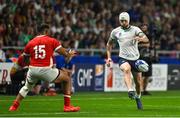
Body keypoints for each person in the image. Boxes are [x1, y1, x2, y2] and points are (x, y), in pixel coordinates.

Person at [9, 24, 80, 112]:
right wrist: (70, 53)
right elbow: (65, 53)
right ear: (46, 31)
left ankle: (14, 106)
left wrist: (31, 66)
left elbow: (25, 58)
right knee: (67, 79)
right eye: (49, 31)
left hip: (33, 70)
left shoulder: (30, 42)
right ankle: (67, 106)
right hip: (45, 70)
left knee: (26, 87)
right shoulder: (51, 40)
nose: (50, 33)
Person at [106, 12, 149, 110]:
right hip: (123, 58)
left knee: (138, 83)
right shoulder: (115, 32)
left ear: (128, 20)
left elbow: (146, 39)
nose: (123, 22)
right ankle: (130, 90)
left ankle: (138, 97)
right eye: (121, 20)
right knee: (126, 69)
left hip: (136, 59)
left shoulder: (135, 29)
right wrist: (108, 58)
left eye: (125, 20)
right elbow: (109, 44)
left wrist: (140, 38)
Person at [139, 24, 152, 95]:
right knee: (142, 75)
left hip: (148, 57)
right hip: (141, 57)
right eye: (143, 28)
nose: (144, 29)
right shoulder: (138, 36)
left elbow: (151, 46)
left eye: (145, 28)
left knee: (147, 75)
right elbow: (135, 45)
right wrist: (144, 45)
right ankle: (140, 90)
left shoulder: (149, 36)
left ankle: (145, 90)